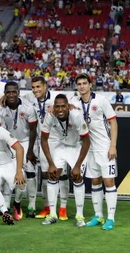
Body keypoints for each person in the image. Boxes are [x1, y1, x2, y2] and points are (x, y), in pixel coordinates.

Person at [71, 73, 118, 230]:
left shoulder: (101, 100)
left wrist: (113, 145)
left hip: (104, 146)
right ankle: (98, 215)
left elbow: (113, 122)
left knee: (109, 181)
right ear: (76, 86)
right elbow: (62, 106)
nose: (82, 86)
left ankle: (110, 218)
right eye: (79, 84)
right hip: (87, 148)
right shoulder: (74, 101)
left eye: (85, 83)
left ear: (90, 84)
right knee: (95, 181)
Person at [21, 76, 69, 219]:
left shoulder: (56, 98)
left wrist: (70, 106)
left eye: (38, 87)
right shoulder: (28, 98)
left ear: (45, 87)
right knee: (46, 175)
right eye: (33, 87)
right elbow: (14, 98)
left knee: (62, 174)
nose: (35, 90)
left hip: (59, 141)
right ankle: (47, 206)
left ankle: (63, 208)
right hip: (42, 142)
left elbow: (70, 106)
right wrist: (3, 98)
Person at [40, 94, 90, 227]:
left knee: (77, 177)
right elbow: (43, 139)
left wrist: (77, 165)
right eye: (57, 106)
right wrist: (50, 164)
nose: (60, 109)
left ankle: (80, 216)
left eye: (63, 106)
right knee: (52, 175)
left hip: (77, 147)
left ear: (68, 107)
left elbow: (86, 141)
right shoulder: (50, 115)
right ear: (53, 107)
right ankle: (52, 214)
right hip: (61, 146)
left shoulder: (76, 116)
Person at [0, 82, 38, 219]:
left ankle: (31, 204)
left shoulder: (28, 107)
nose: (11, 95)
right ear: (4, 93)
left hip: (25, 141)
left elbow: (33, 130)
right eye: (8, 92)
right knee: (10, 172)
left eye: (14, 92)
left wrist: (30, 150)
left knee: (30, 172)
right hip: (8, 142)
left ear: (18, 92)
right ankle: (6, 203)